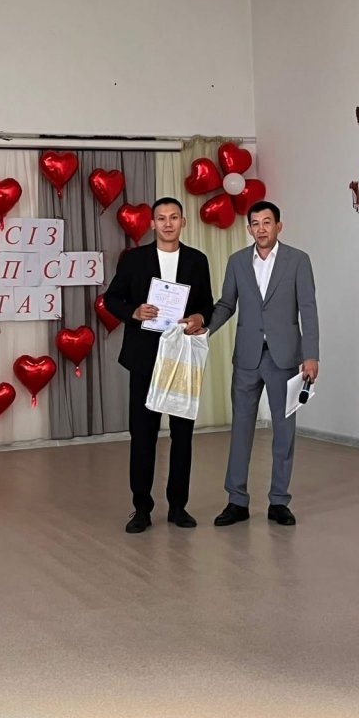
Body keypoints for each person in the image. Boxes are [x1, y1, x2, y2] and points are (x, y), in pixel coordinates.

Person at [207, 201, 319, 527]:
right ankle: (236, 501)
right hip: (247, 357)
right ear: (249, 229)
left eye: (267, 222)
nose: (261, 228)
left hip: (285, 358)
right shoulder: (237, 261)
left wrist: (311, 355)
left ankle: (279, 501)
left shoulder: (298, 260)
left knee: (284, 431)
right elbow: (226, 304)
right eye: (255, 223)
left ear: (278, 226)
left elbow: (308, 309)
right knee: (241, 430)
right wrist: (204, 328)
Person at [105, 198, 213, 534]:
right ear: (152, 223)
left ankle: (179, 506)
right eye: (161, 218)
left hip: (182, 358)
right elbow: (111, 299)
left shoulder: (197, 260)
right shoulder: (135, 259)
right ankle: (141, 508)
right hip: (144, 357)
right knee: (143, 435)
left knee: (182, 435)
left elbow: (207, 304)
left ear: (183, 222)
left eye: (174, 217)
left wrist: (200, 317)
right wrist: (134, 312)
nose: (168, 223)